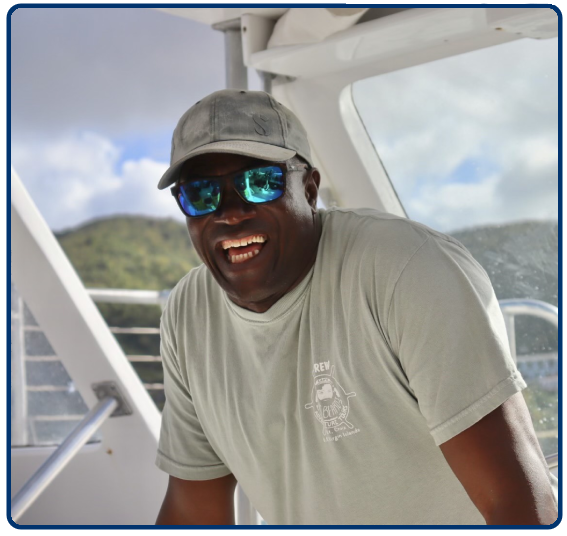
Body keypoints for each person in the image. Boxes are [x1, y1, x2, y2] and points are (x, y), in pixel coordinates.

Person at [154, 89, 558, 526]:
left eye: (260, 183)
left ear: (309, 190)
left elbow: (518, 501)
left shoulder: (406, 269)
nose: (230, 213)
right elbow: (192, 510)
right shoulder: (188, 315)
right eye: (201, 194)